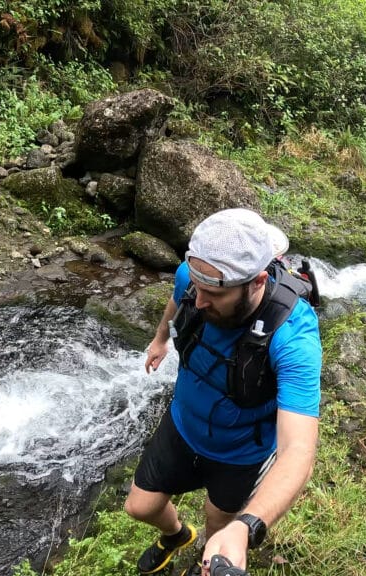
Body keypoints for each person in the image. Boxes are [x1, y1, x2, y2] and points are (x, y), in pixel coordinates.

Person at [125, 208, 322, 576]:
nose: (199, 301)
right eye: (196, 288)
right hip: (183, 426)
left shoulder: (294, 337)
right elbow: (178, 299)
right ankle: (176, 535)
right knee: (140, 507)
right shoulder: (196, 277)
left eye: (214, 293)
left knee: (219, 527)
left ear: (257, 281)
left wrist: (245, 527)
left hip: (239, 454)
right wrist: (160, 338)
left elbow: (298, 450)